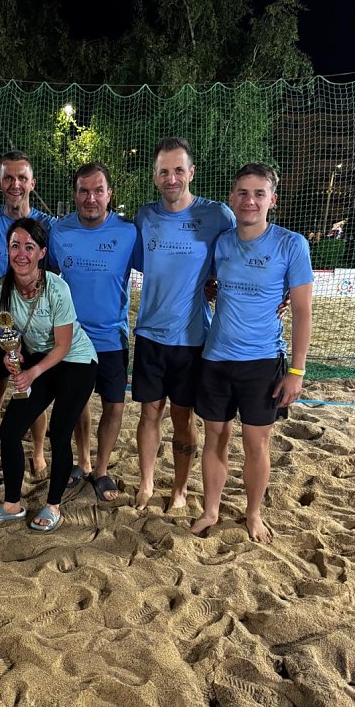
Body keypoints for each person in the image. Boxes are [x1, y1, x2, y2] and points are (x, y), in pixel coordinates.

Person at [191, 163, 313, 543]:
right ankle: (211, 509)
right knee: (215, 437)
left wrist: (296, 372)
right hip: (216, 357)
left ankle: (253, 514)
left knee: (256, 443)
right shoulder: (222, 242)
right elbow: (212, 283)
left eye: (259, 194)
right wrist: (213, 289)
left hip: (262, 361)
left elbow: (302, 311)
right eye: (243, 193)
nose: (250, 201)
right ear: (232, 198)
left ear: (271, 200)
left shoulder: (291, 244)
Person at [132, 137, 236, 511]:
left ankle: (179, 489)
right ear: (155, 176)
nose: (171, 177)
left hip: (192, 338)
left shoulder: (217, 216)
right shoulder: (145, 217)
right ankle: (145, 483)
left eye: (178, 170)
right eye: (164, 171)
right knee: (148, 414)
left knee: (182, 418)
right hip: (148, 334)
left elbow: (241, 254)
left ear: (191, 173)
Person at [0, 218, 97, 532]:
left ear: (42, 252)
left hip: (76, 359)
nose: (21, 253)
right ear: (7, 249)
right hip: (37, 360)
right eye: (15, 245)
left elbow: (62, 346)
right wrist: (12, 357)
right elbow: (9, 335)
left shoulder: (56, 287)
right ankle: (12, 504)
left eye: (29, 247)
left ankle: (53, 505)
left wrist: (31, 372)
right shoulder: (1, 290)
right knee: (10, 430)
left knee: (60, 431)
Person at [48, 162, 138, 502]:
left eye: (98, 191)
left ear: (109, 194)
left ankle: (102, 469)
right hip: (72, 338)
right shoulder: (59, 231)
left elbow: (163, 266)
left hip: (113, 337)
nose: (91, 198)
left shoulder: (129, 233)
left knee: (114, 406)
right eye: (84, 191)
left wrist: (209, 283)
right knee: (77, 402)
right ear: (75, 194)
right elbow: (51, 277)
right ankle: (83, 461)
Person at [0, 151, 56, 477]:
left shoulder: (47, 226)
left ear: (32, 183)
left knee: (33, 394)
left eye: (21, 178)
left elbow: (58, 269)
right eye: (8, 177)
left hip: (34, 328)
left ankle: (39, 455)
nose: (15, 184)